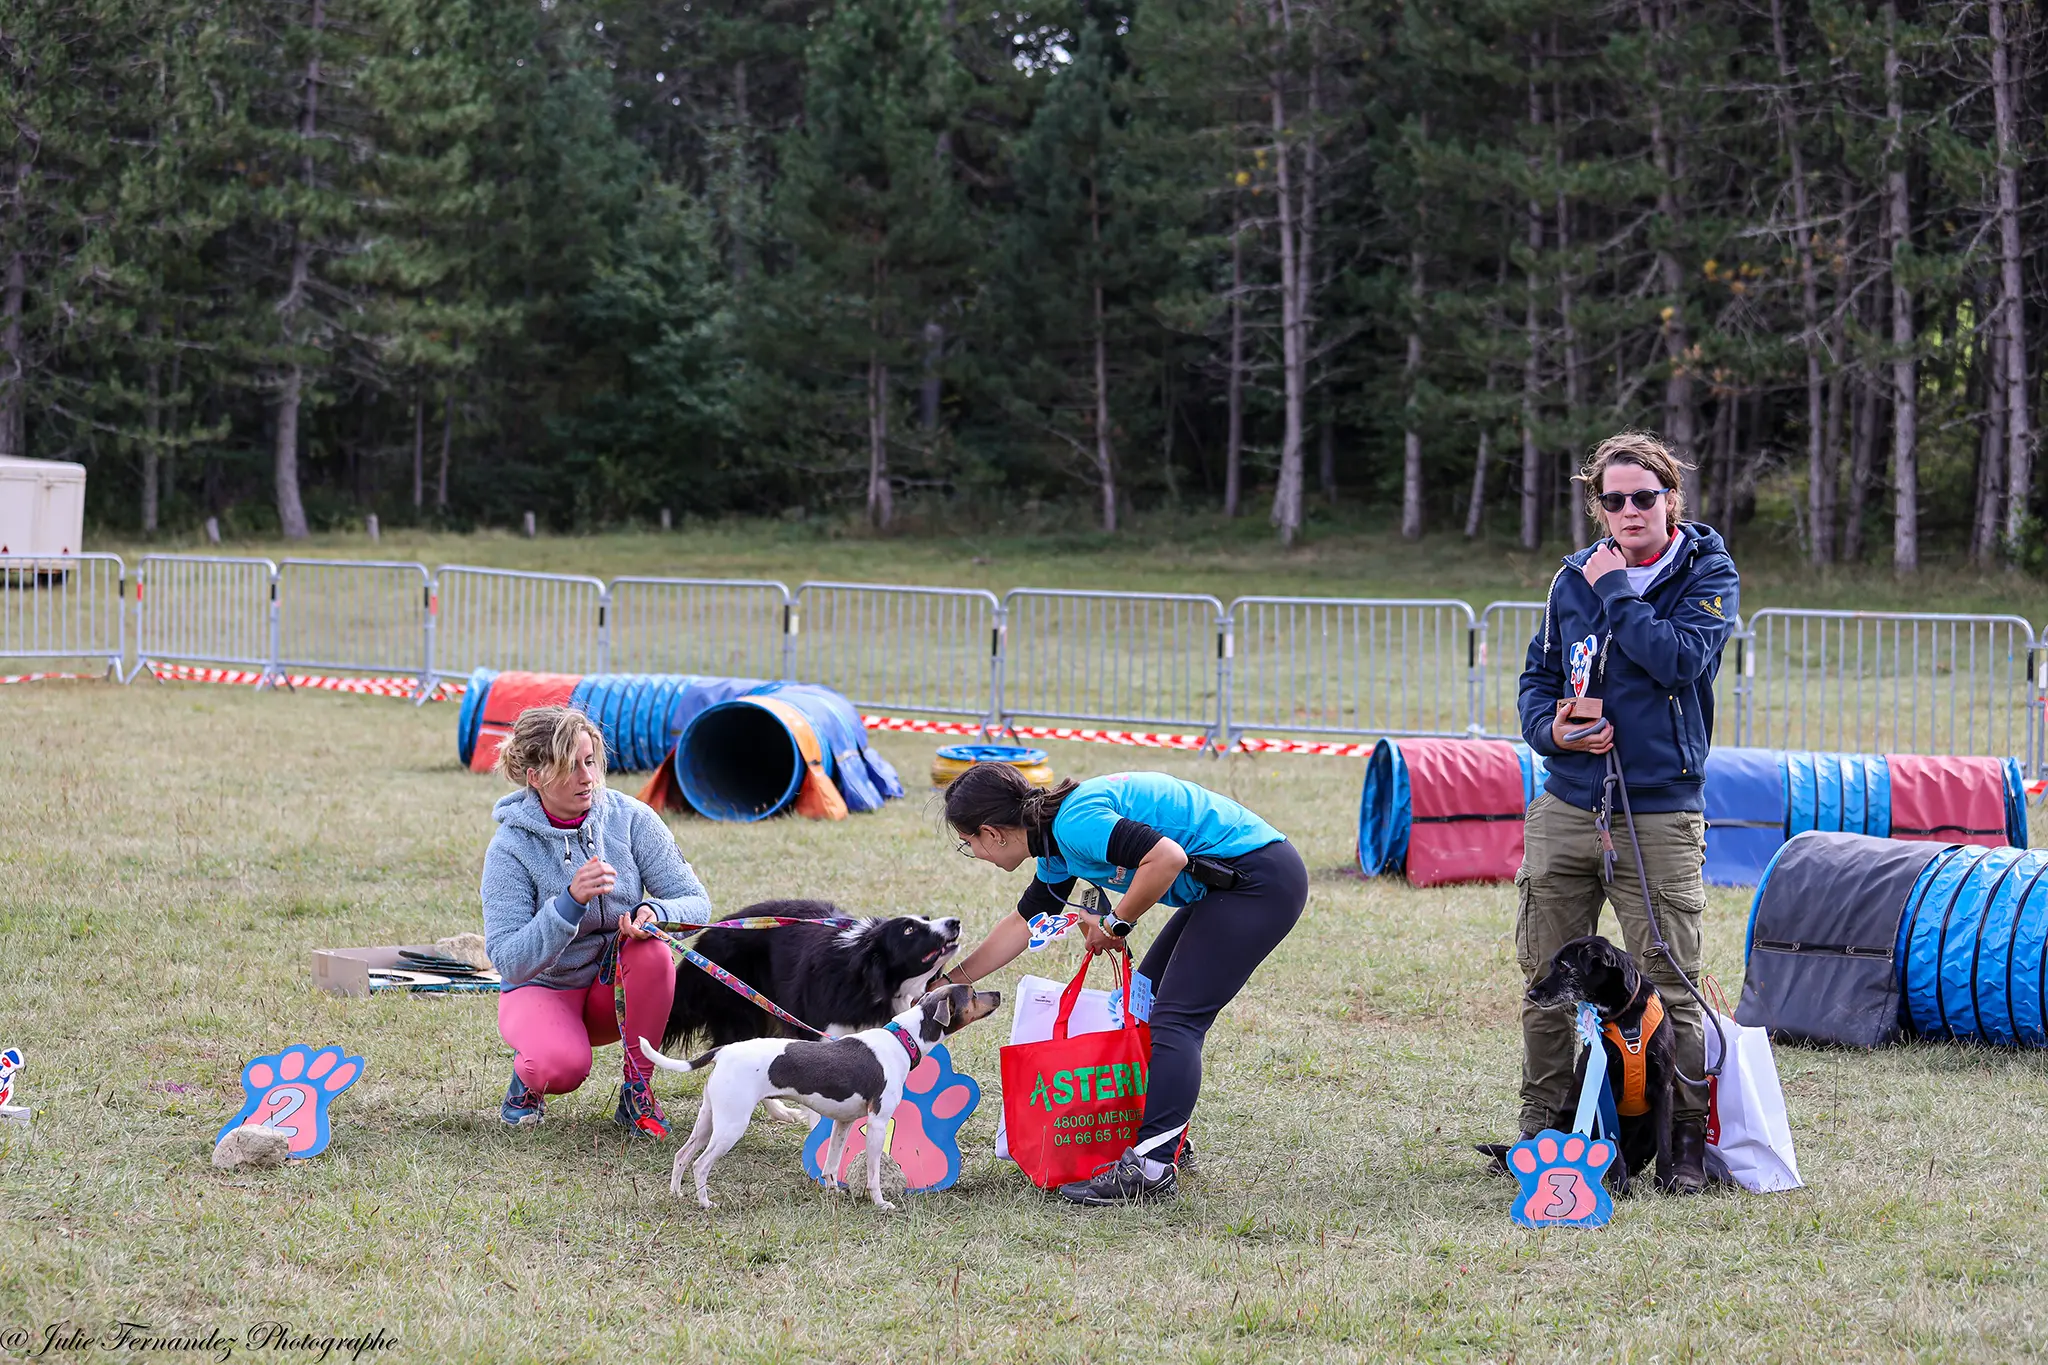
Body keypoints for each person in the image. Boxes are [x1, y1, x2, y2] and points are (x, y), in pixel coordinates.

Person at [1507, 430, 1739, 1193]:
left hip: (1661, 814)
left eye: (1646, 495)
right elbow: (1539, 678)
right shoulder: (1569, 578)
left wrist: (1617, 590)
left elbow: (1678, 659)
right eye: (1615, 498)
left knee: (1672, 985)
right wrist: (1552, 727)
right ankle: (1541, 1138)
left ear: (1672, 497)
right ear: (1597, 505)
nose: (1631, 509)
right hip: (1567, 804)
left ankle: (1683, 1151)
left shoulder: (1707, 572)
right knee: (1547, 985)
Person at [937, 763, 1307, 1205]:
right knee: (1144, 1002)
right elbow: (1024, 922)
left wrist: (1115, 923)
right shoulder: (1053, 844)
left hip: (1259, 882)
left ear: (991, 832)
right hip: (1228, 887)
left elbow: (1167, 858)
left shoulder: (1074, 823)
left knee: (1175, 1021)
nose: (975, 854)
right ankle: (1159, 1140)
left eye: (968, 844)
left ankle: (1151, 1168)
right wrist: (948, 981)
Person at [481, 705, 713, 1136]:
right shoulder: (510, 846)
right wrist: (569, 902)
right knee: (559, 1068)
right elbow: (508, 959)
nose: (587, 777)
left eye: (590, 762)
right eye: (571, 767)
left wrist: (656, 913)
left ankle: (637, 1093)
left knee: (653, 949)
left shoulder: (632, 818)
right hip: (543, 987)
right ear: (536, 777)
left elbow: (696, 903)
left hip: (613, 989)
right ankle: (527, 1082)